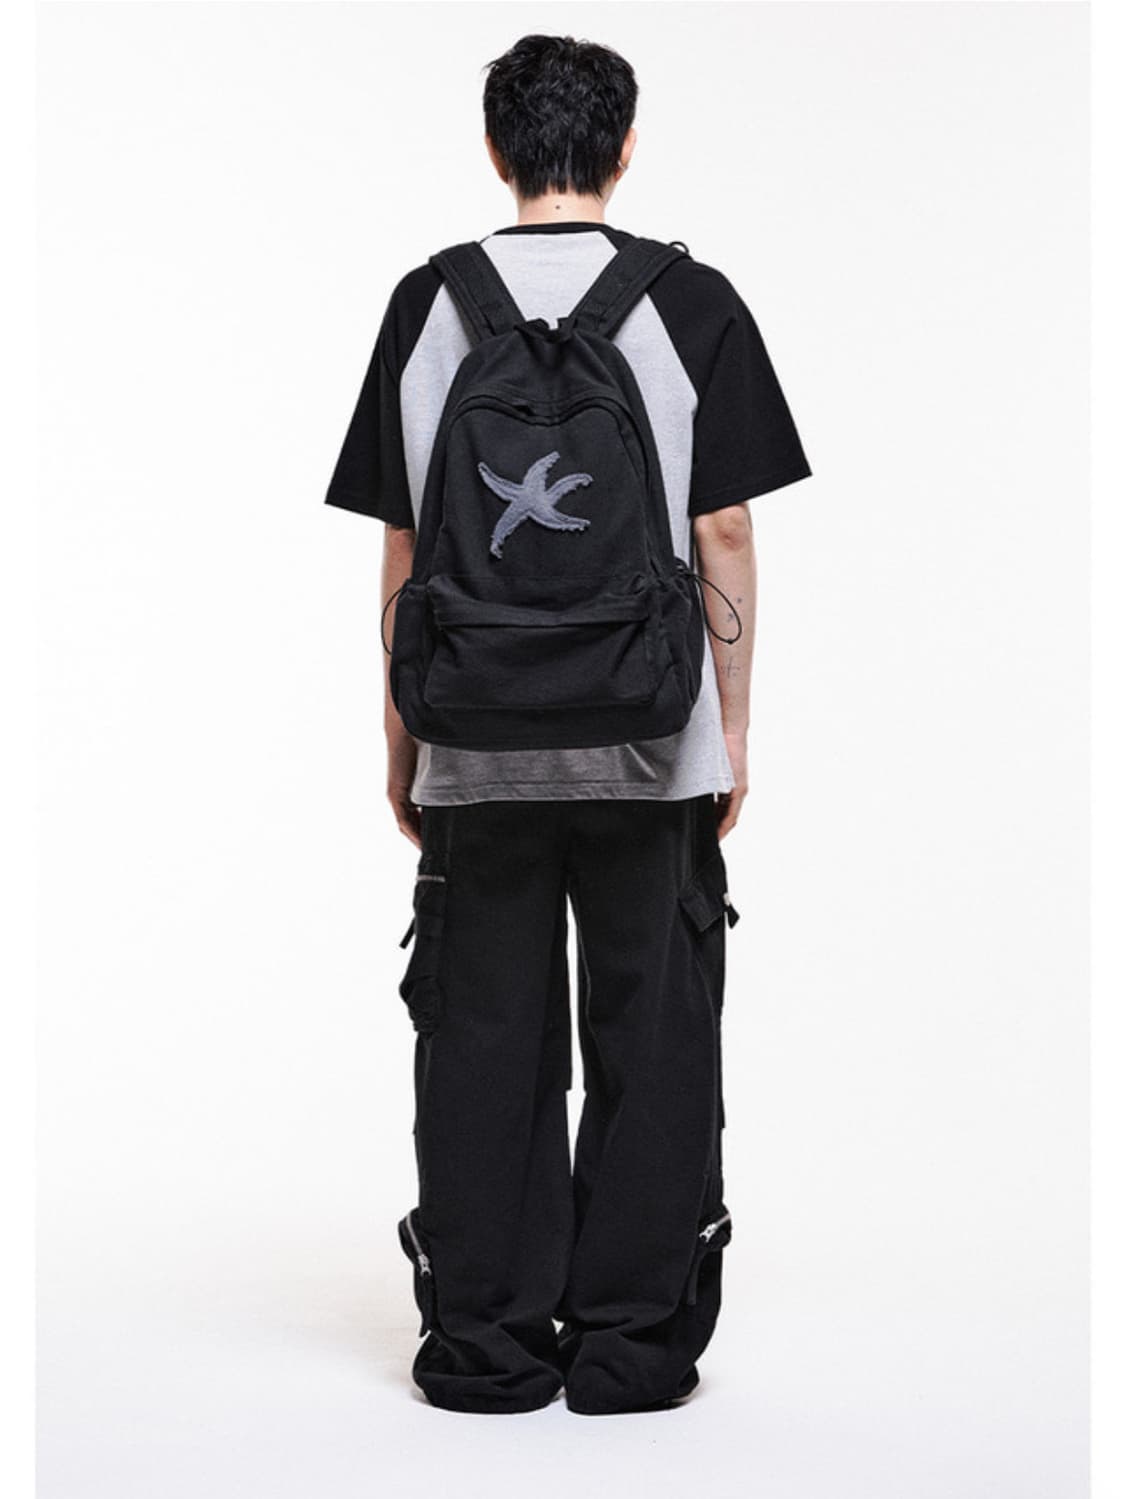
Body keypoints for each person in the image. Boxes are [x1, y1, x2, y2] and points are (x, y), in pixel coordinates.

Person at [325, 33, 811, 1416]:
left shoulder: (427, 303)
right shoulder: (692, 302)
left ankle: (483, 1345)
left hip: (474, 737)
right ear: (625, 147)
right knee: (653, 1040)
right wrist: (730, 730)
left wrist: (402, 743)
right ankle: (631, 1348)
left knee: (483, 1037)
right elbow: (723, 528)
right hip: (652, 738)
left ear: (495, 150)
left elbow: (404, 550)